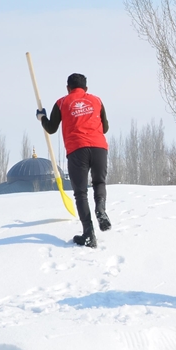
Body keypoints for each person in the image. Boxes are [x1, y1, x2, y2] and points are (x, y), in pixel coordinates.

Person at [38, 73, 110, 248]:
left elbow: (51, 128)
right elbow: (106, 128)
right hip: (99, 147)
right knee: (99, 182)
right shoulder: (97, 101)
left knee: (80, 192)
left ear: (68, 88)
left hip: (77, 150)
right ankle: (101, 209)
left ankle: (89, 234)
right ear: (86, 89)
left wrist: (42, 118)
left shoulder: (62, 102)